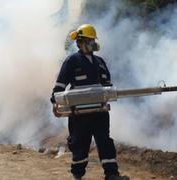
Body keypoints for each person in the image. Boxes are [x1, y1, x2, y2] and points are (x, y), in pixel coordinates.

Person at [50, 24, 129, 180]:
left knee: (105, 142)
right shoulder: (72, 61)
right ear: (79, 42)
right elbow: (60, 85)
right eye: (87, 40)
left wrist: (108, 96)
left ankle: (112, 174)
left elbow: (107, 85)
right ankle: (77, 175)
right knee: (80, 144)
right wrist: (55, 101)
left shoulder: (100, 62)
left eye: (92, 40)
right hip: (79, 114)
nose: (91, 43)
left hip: (100, 112)